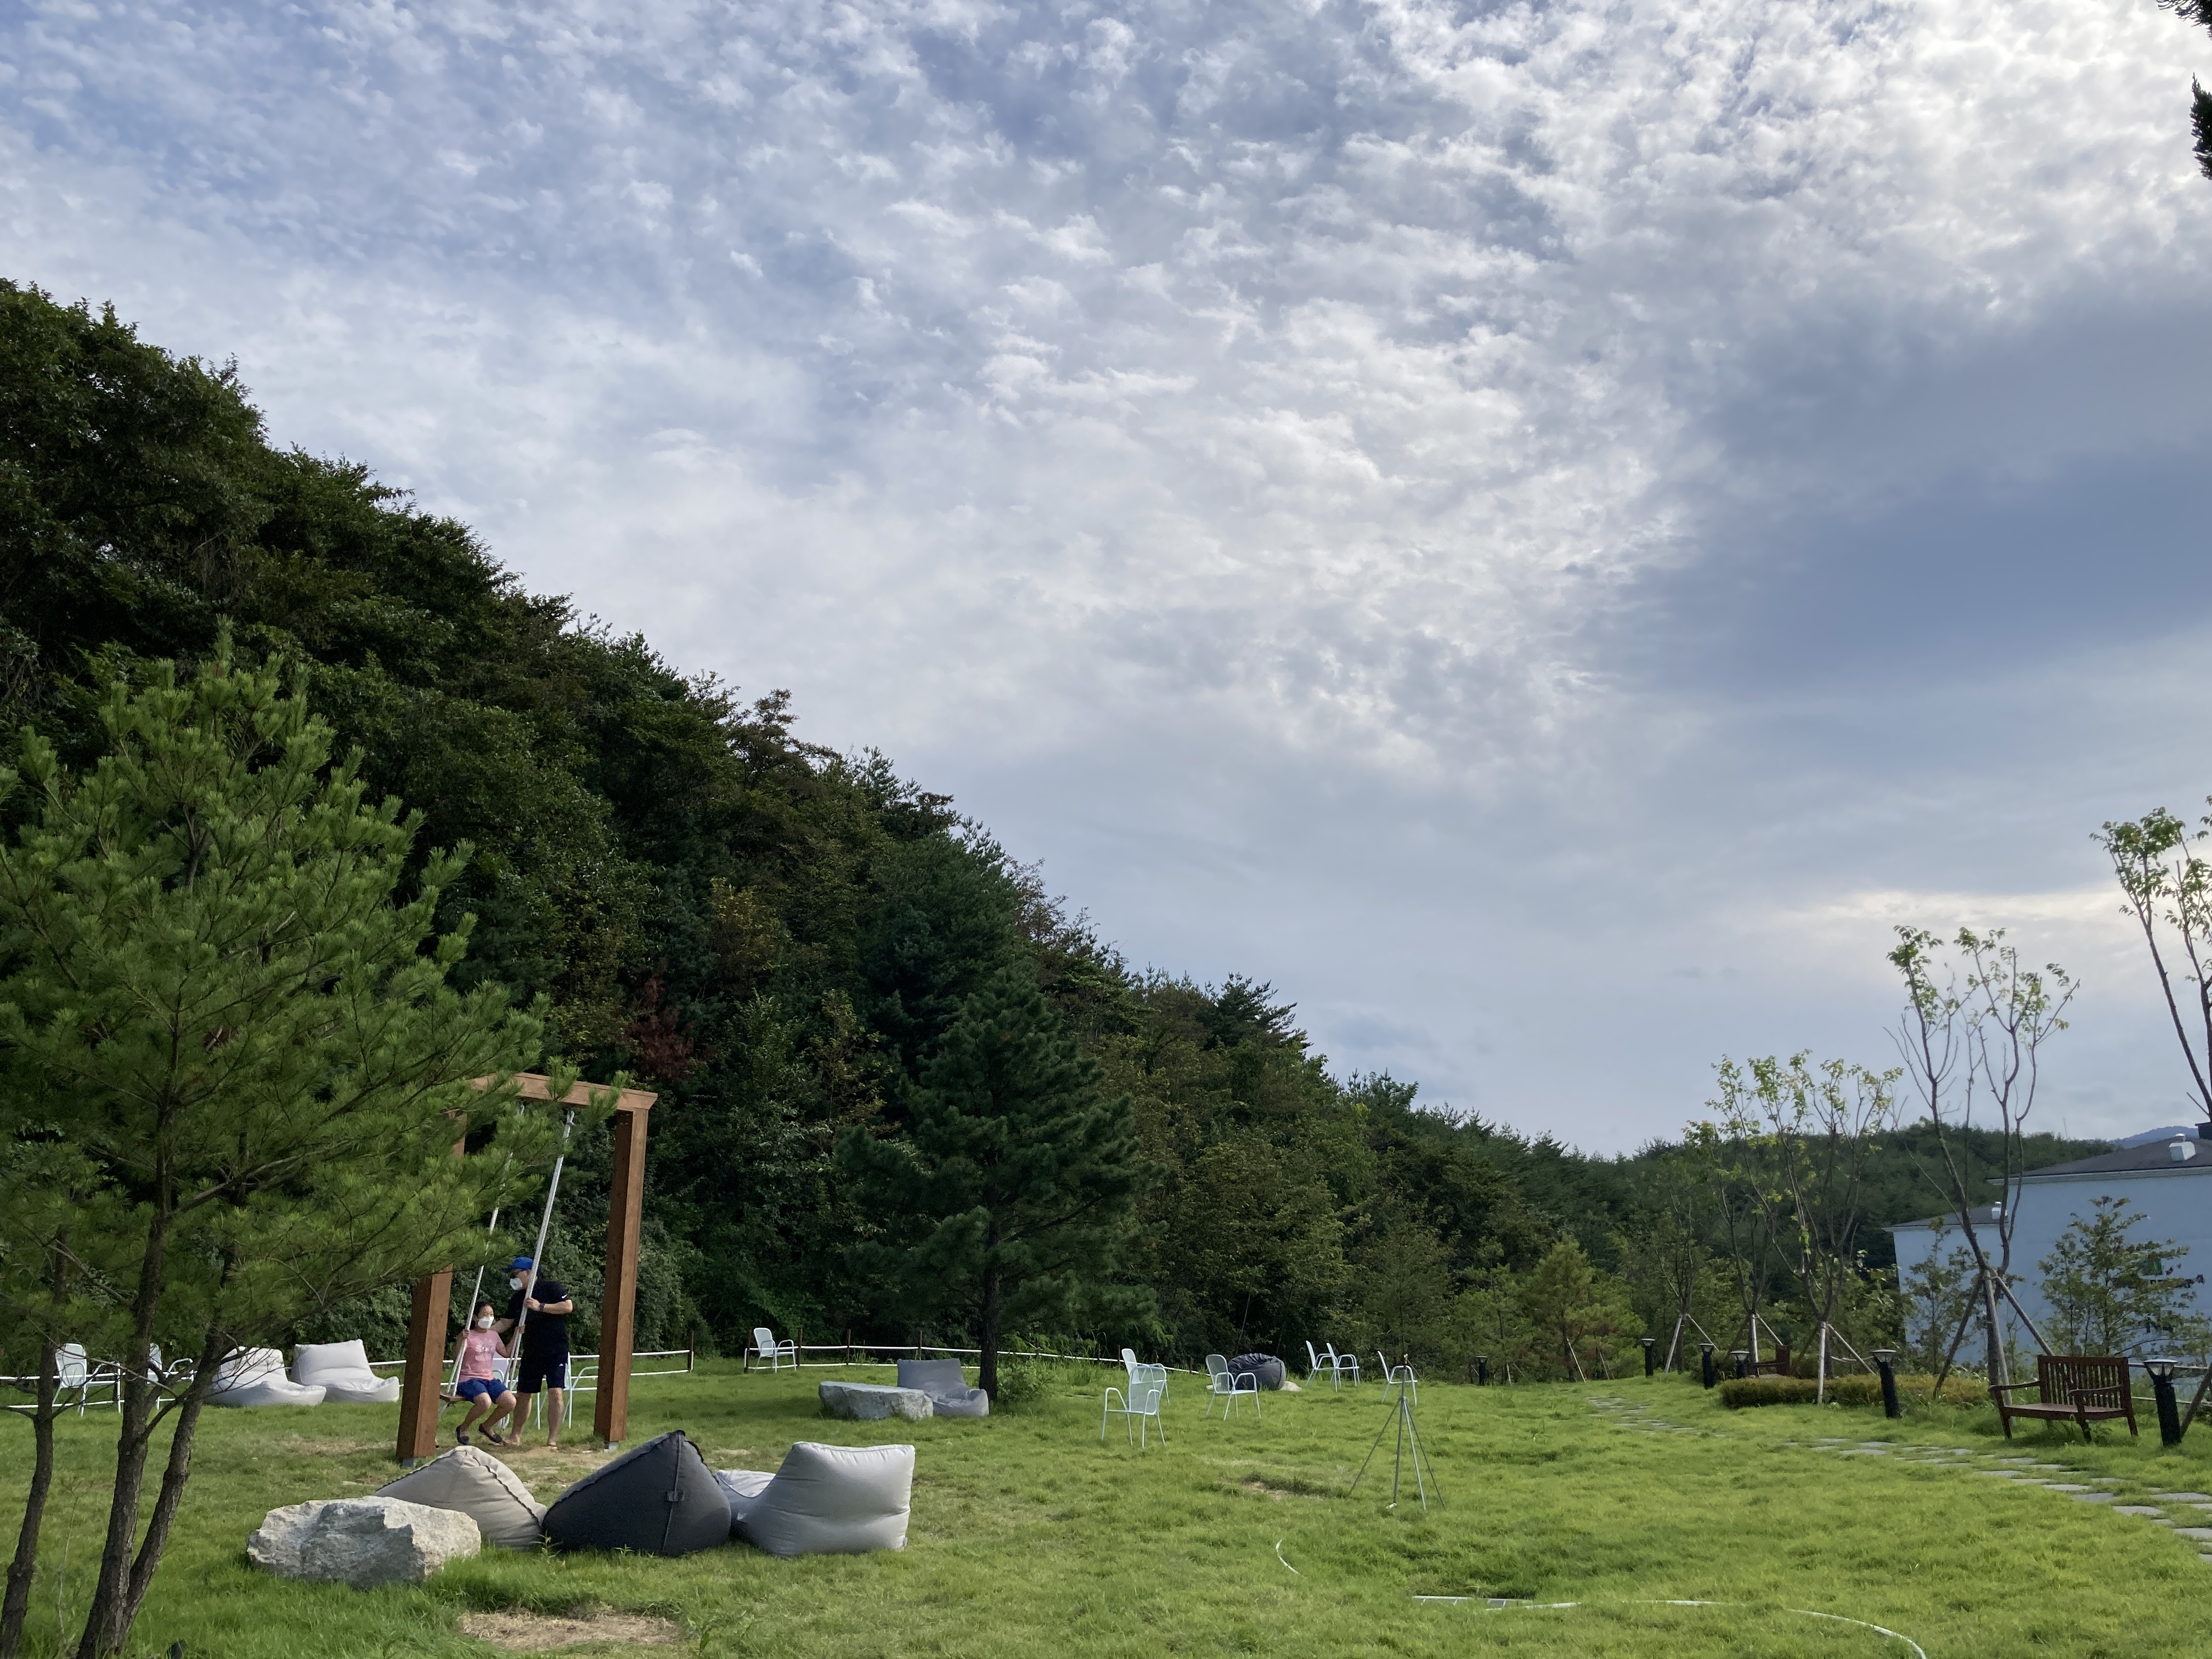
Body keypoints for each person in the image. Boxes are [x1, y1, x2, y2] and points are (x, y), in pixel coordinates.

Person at [490, 1255, 573, 1449]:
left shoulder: (551, 1288)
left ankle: (552, 1440)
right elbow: (505, 1323)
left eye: (515, 1274)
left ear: (528, 1272)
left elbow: (568, 1307)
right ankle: (515, 1436)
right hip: (531, 1351)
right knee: (524, 1393)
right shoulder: (517, 1298)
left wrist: (540, 1306)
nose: (513, 1278)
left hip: (555, 1350)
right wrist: (481, 1332)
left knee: (555, 1392)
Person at [447, 1299, 516, 1446]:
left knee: (510, 1402)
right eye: (485, 1315)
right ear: (475, 1317)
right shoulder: (468, 1335)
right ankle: (464, 1428)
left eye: (491, 1314)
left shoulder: (493, 1335)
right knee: (485, 1402)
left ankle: (487, 1426)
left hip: (488, 1379)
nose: (489, 1318)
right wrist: (461, 1340)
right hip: (468, 1379)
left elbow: (506, 1353)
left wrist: (516, 1334)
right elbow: (456, 1359)